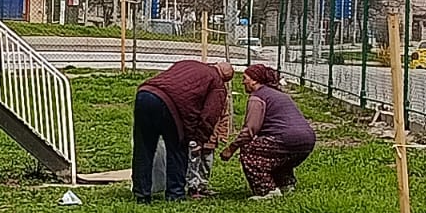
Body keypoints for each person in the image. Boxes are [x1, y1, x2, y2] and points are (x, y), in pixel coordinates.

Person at [132, 59, 234, 202]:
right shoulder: (217, 84)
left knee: (143, 148)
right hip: (172, 107)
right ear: (225, 79)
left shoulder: (189, 63)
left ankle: (141, 194)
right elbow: (209, 115)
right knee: (177, 149)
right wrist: (200, 139)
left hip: (145, 93)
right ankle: (175, 194)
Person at [221, 64, 316, 199]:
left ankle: (266, 190)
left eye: (245, 78)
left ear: (254, 81)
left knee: (249, 149)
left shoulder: (258, 97)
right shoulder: (278, 94)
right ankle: (286, 184)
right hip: (307, 141)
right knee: (276, 156)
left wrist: (231, 148)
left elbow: (249, 130)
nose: (242, 82)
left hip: (285, 139)